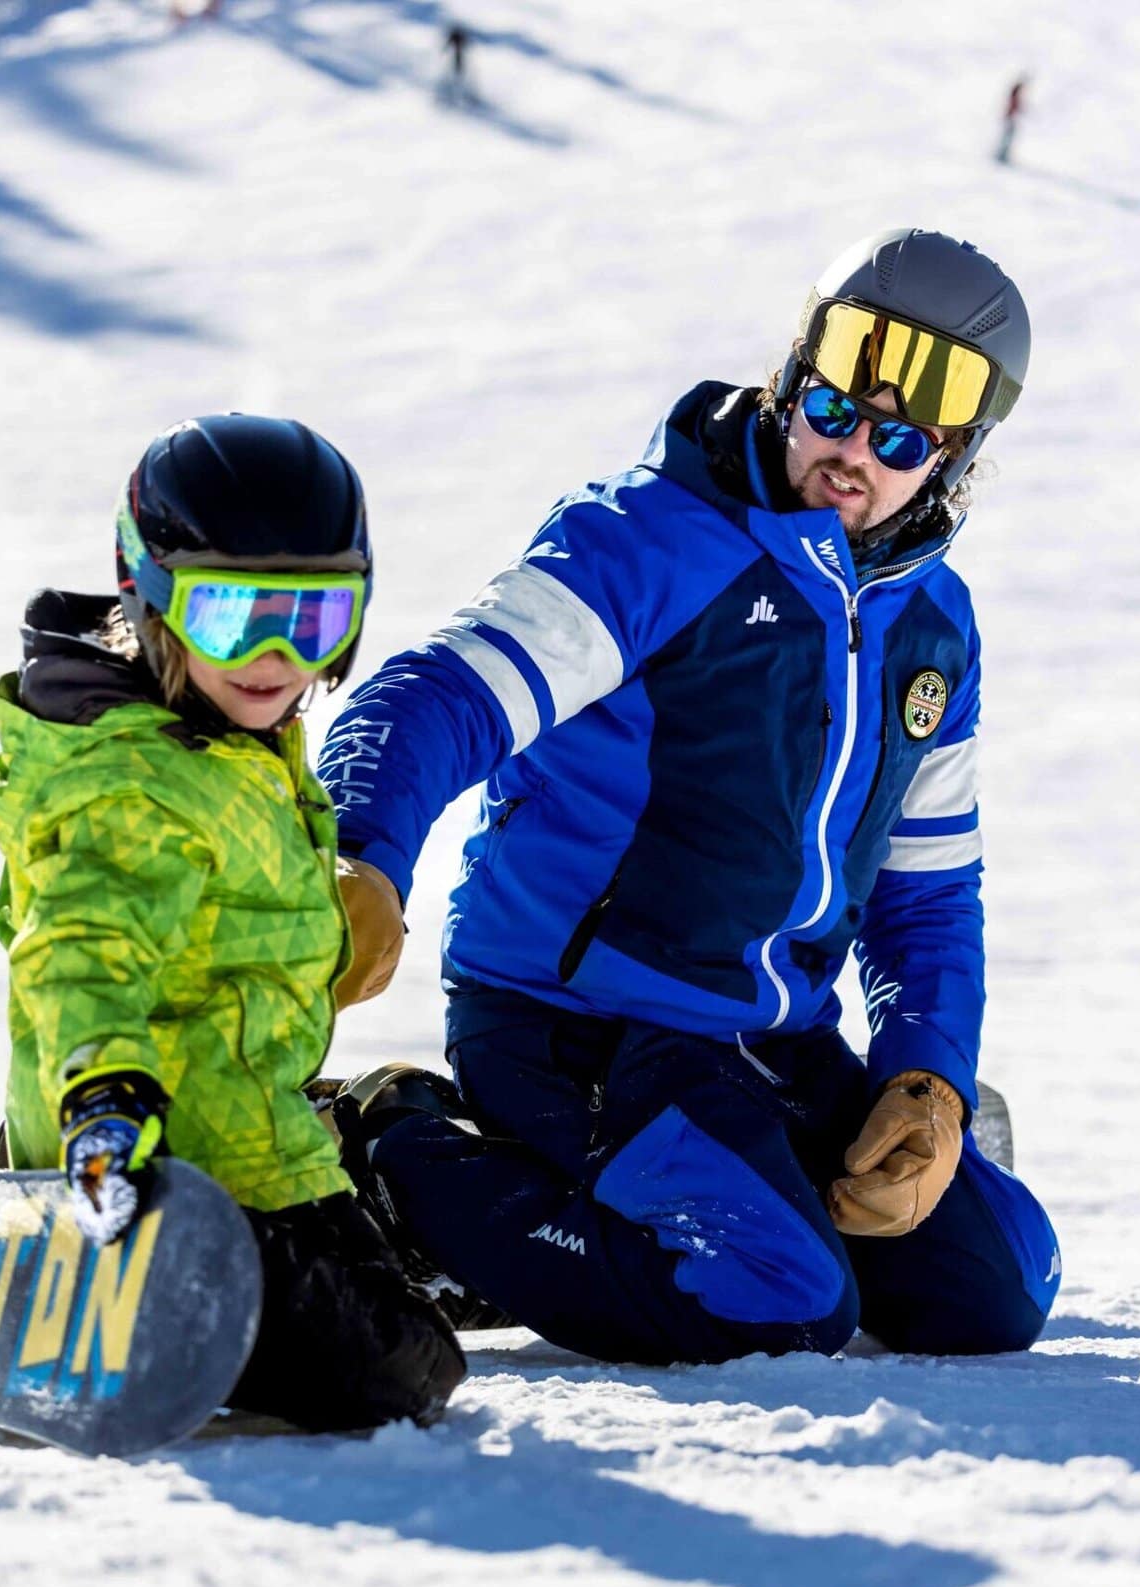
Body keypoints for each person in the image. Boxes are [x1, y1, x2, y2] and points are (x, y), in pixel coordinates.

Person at [317, 229, 1063, 1366]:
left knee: (997, 1285)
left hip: (766, 1040)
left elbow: (927, 895)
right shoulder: (651, 542)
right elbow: (436, 698)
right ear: (790, 377)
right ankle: (381, 1150)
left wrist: (928, 1078)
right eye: (833, 408)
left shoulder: (931, 629)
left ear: (952, 465)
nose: (855, 450)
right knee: (775, 1302)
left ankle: (691, 1211)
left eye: (903, 438)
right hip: (581, 1026)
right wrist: (365, 853)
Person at [0, 414, 464, 1428]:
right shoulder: (126, 778)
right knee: (408, 1375)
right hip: (167, 1158)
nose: (277, 655)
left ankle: (355, 1154)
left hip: (245, 1125)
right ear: (149, 595)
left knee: (419, 1342)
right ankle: (135, 1257)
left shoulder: (234, 742)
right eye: (234, 616)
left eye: (314, 617)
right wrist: (101, 1095)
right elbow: (82, 950)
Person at [997, 76, 1028, 165]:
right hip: (1010, 118)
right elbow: (1013, 106)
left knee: (1008, 137)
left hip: (1011, 118)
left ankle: (1003, 154)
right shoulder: (1015, 95)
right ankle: (1001, 155)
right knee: (1007, 137)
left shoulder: (1015, 95)